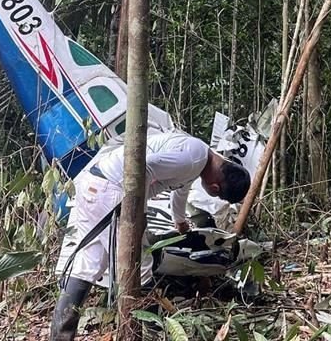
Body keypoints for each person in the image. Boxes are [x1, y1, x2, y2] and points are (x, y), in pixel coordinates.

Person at [50, 131, 251, 340]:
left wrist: (180, 221)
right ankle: (145, 333)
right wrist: (139, 214)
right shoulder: (193, 159)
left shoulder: (198, 155)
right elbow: (143, 166)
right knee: (140, 265)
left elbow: (180, 190)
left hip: (96, 184)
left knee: (89, 265)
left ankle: (60, 337)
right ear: (215, 187)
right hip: (111, 191)